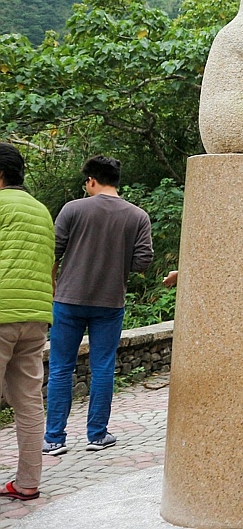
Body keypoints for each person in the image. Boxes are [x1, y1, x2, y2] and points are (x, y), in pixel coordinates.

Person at [44, 155, 152, 456]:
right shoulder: (137, 216)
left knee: (61, 369)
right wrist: (116, 261)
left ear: (91, 180)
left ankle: (54, 439)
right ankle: (97, 435)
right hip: (110, 302)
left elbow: (53, 250)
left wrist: (53, 286)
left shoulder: (73, 209)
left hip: (67, 300)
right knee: (102, 367)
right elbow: (143, 261)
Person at [0, 144, 55, 500]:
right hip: (36, 318)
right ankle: (27, 483)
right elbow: (51, 268)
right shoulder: (42, 211)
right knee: (29, 403)